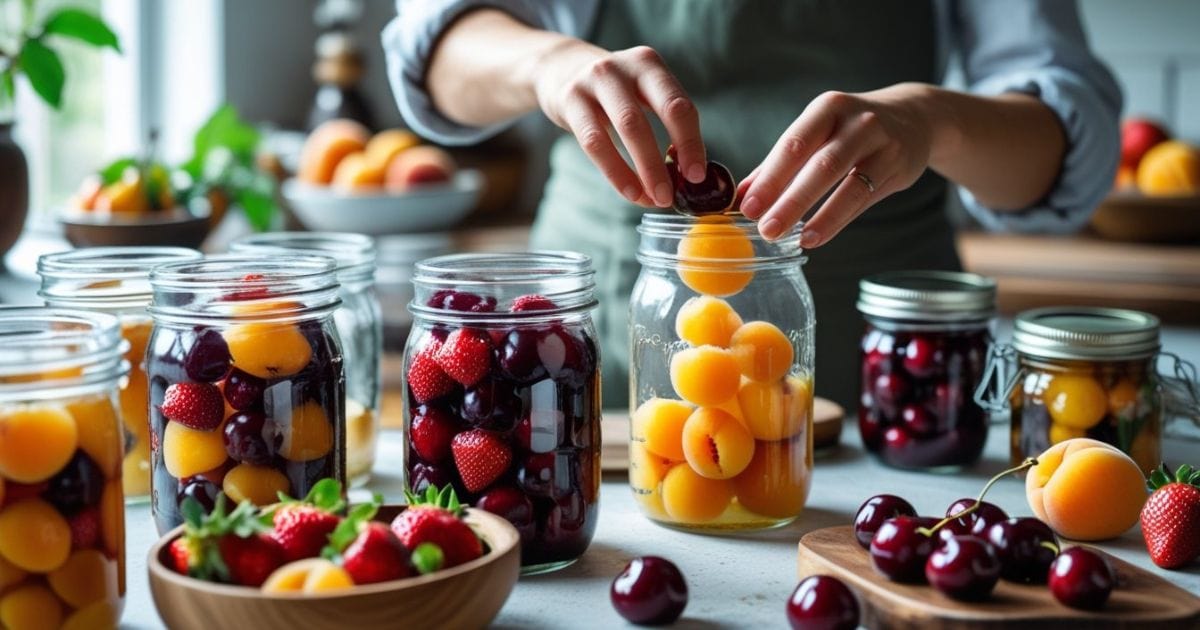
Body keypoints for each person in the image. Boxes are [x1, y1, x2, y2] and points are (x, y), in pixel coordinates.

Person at [382, 0, 1121, 408]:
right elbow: (433, 45)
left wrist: (935, 120)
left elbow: (1065, 149)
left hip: (888, 383)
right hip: (597, 350)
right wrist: (543, 62)